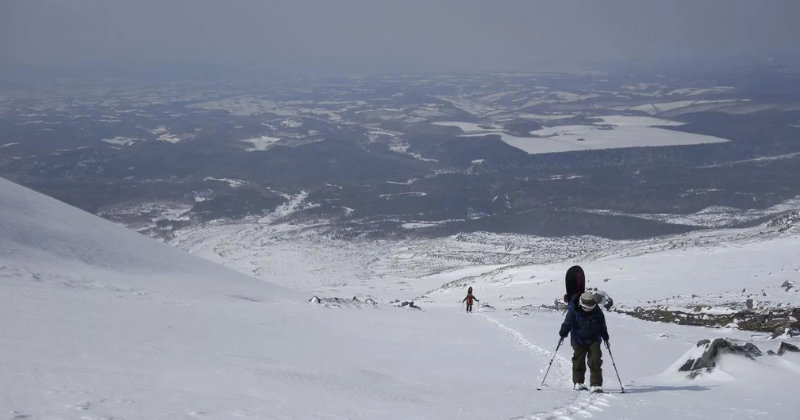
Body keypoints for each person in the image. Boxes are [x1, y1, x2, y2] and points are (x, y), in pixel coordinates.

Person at [559, 291, 610, 393]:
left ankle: (596, 384)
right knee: (578, 361)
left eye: (591, 307)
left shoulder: (596, 310)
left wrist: (605, 337)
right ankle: (578, 383)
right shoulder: (574, 310)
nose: (589, 309)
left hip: (594, 338)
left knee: (595, 359)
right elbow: (567, 323)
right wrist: (563, 333)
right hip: (578, 339)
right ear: (582, 304)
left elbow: (602, 324)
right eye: (587, 307)